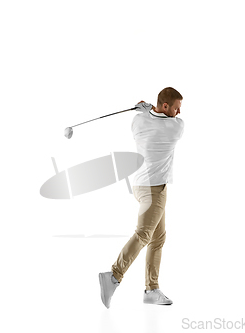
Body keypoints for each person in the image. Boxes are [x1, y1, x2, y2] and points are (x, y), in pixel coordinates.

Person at [98, 87, 184, 308]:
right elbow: (168, 121)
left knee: (158, 238)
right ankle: (114, 276)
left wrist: (146, 110)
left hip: (139, 185)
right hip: (155, 189)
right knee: (145, 234)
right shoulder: (175, 129)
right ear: (165, 106)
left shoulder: (137, 122)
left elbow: (151, 117)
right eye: (176, 108)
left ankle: (151, 289)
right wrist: (149, 110)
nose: (179, 113)